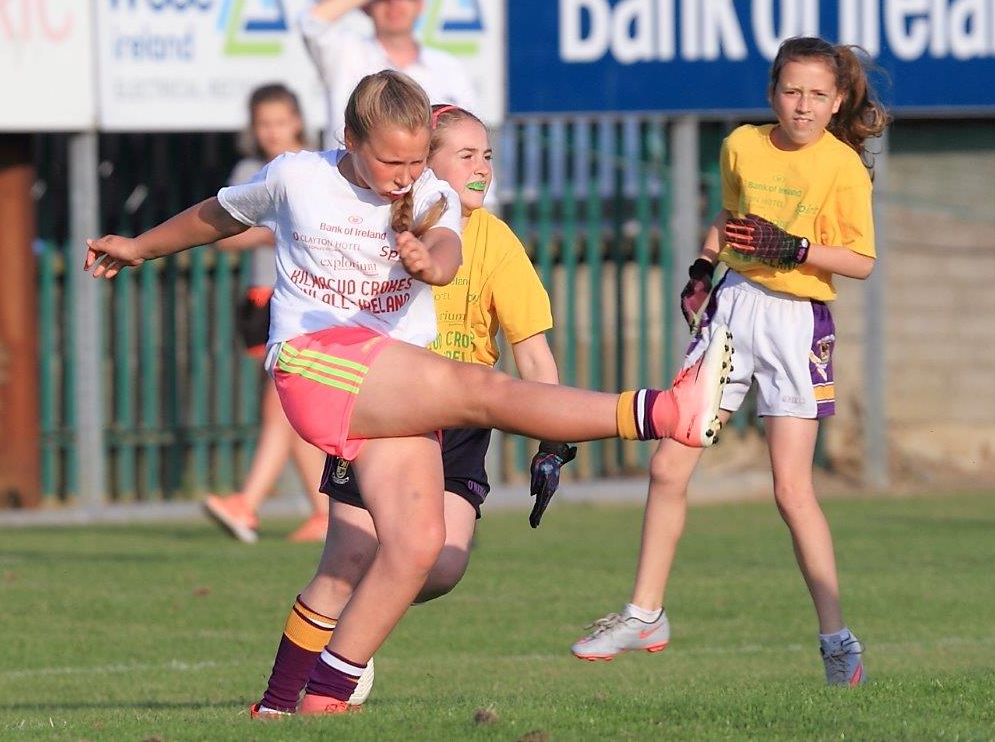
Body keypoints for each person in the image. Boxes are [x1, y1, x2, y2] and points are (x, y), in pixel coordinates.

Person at [83, 70, 733, 716]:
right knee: (479, 389)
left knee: (419, 547)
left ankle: (298, 707)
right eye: (391, 160)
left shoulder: (429, 194)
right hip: (316, 365)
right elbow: (216, 216)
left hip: (387, 378)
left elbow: (447, 248)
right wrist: (138, 246)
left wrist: (431, 264)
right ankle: (666, 410)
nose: (405, 174)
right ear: (348, 139)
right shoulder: (296, 176)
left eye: (417, 159)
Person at [570, 37, 887, 687]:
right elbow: (730, 215)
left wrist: (796, 247)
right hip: (734, 308)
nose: (802, 106)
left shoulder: (843, 167)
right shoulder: (743, 143)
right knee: (667, 463)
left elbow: (860, 260)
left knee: (791, 489)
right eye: (791, 91)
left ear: (837, 102)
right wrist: (703, 264)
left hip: (796, 324)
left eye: (817, 95)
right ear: (773, 93)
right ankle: (645, 612)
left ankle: (836, 641)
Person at [251, 103, 573, 715]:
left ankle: (353, 638)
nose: (481, 168)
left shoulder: (498, 242)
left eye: (487, 155)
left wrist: (550, 442)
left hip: (459, 421)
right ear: (426, 164)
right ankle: (279, 703)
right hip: (380, 406)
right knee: (346, 559)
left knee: (444, 563)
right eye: (464, 155)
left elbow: (532, 351)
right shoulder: (375, 213)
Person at [203, 84, 329, 544]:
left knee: (281, 405)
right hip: (262, 298)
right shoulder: (249, 171)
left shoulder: (317, 168)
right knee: (283, 407)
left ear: (297, 120)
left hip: (303, 301)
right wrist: (273, 230)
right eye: (264, 124)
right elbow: (224, 233)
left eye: (280, 121)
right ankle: (321, 510)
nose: (273, 132)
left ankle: (248, 504)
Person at [299, 0, 478, 149]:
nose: (394, 1)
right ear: (365, 5)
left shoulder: (448, 66)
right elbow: (311, 22)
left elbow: (473, 143)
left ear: (420, 4)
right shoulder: (346, 53)